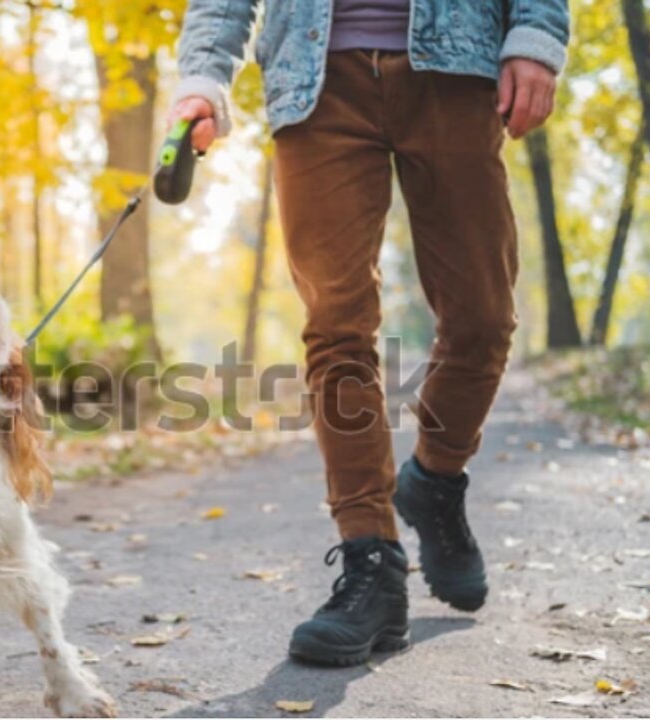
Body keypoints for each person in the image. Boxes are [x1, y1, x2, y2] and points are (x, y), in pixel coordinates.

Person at [167, 0, 569, 666]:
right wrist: (203, 77)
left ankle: (435, 482)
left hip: (456, 66)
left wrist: (535, 33)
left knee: (482, 318)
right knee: (336, 327)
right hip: (313, 79)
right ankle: (371, 559)